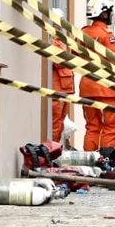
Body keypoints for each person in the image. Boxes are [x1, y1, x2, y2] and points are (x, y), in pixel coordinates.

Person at [80, 0, 115, 152]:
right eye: (110, 12)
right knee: (111, 126)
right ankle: (105, 161)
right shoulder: (106, 35)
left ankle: (89, 160)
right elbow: (114, 62)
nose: (111, 15)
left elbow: (73, 55)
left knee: (92, 127)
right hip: (106, 90)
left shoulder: (83, 33)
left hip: (86, 87)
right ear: (104, 14)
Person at [50, 8, 77, 144]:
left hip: (63, 88)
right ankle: (52, 150)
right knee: (56, 123)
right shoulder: (53, 41)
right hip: (58, 88)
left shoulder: (58, 41)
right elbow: (60, 61)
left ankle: (55, 149)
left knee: (59, 123)